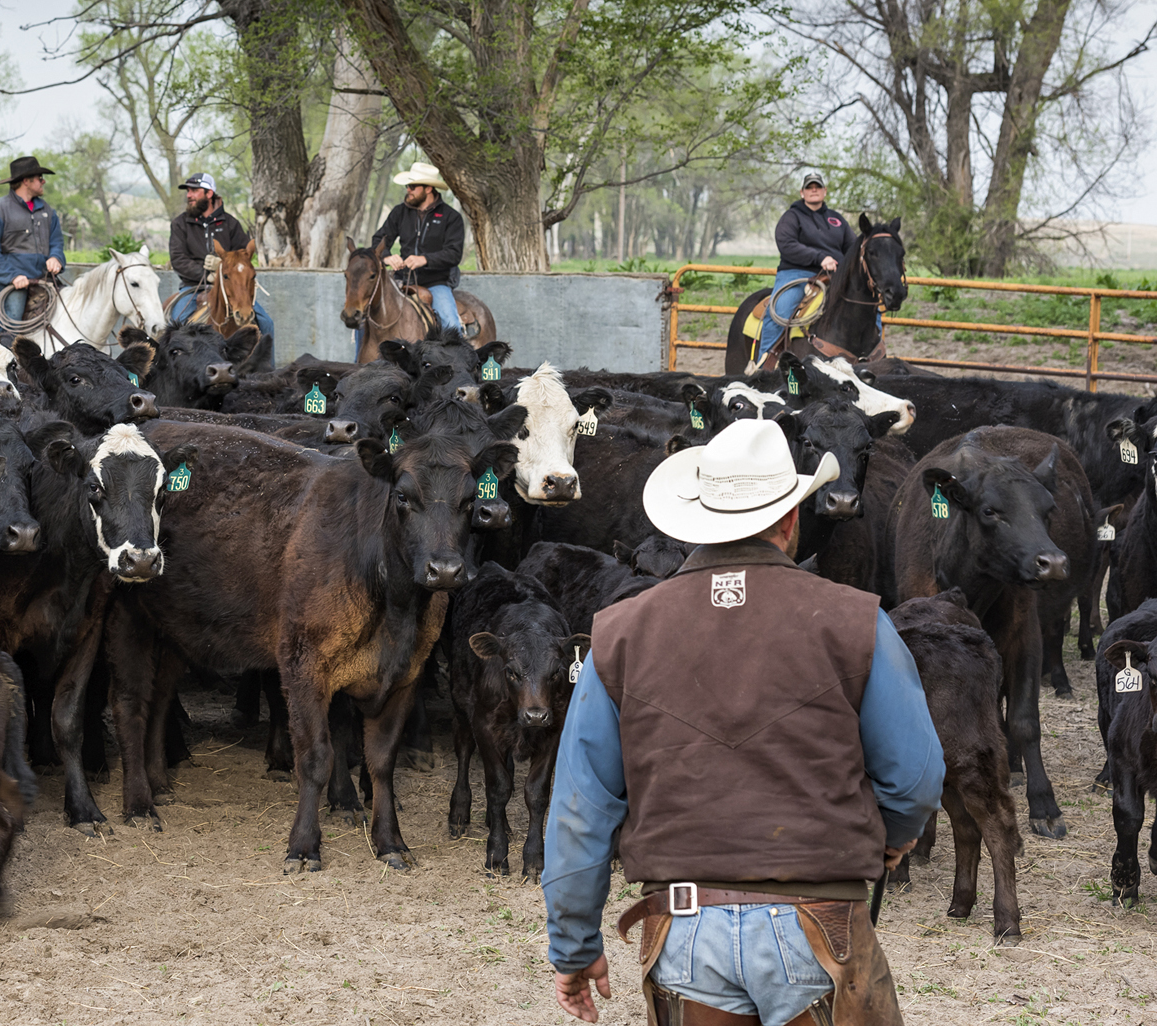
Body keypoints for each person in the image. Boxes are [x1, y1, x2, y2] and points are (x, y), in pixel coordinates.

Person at [542, 418, 943, 1026]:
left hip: (683, 928)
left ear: (698, 518)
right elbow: (914, 776)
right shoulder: (856, 621)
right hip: (819, 922)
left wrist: (573, 946)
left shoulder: (619, 633)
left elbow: (580, 809)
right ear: (791, 520)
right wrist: (882, 836)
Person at [756, 172, 857, 361]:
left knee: (866, 305)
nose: (814, 191)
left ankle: (871, 357)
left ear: (824, 191)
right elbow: (786, 244)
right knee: (780, 312)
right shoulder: (791, 217)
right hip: (797, 274)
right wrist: (820, 257)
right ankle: (765, 364)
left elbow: (852, 248)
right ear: (802, 193)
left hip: (834, 275)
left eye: (817, 187)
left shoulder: (837, 220)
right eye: (809, 188)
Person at [165, 171, 273, 339]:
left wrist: (225, 265)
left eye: (194, 191)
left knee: (266, 323)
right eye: (188, 191)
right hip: (193, 288)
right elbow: (179, 259)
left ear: (209, 194)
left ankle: (267, 366)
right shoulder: (180, 224)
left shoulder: (230, 224)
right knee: (177, 326)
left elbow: (244, 256)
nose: (189, 195)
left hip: (232, 287)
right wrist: (207, 275)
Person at [368, 161, 466, 339]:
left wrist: (425, 259)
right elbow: (378, 241)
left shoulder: (451, 217)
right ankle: (359, 363)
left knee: (451, 325)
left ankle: (456, 364)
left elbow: (454, 253)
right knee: (366, 316)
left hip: (436, 283)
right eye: (407, 186)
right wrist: (387, 257)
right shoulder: (399, 212)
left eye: (413, 186)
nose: (408, 190)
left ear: (428, 189)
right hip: (401, 281)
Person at [0, 155, 65, 335]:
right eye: (40, 178)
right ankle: (3, 355)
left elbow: (56, 241)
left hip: (44, 278)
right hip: (10, 282)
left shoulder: (48, 211)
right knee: (12, 326)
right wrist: (12, 276)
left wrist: (56, 257)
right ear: (26, 181)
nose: (44, 182)